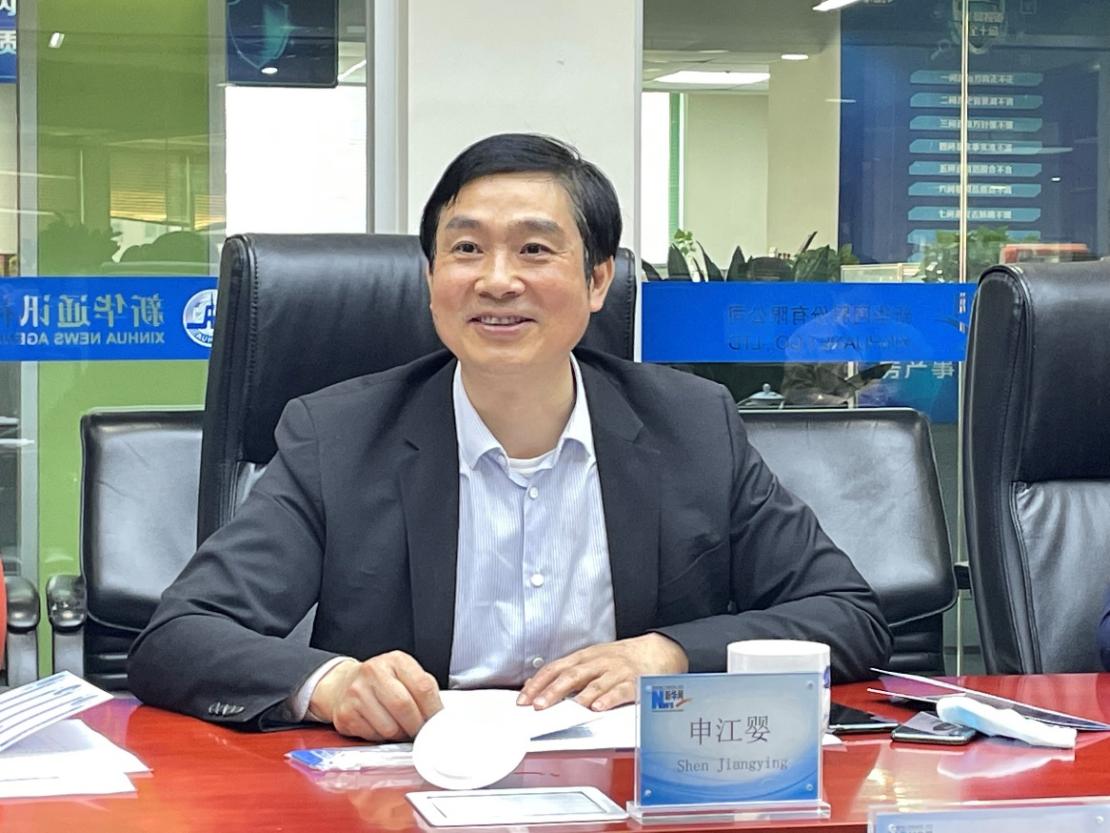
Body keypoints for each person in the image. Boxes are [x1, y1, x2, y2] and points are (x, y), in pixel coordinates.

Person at [128, 133, 891, 740]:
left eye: (534, 249)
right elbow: (180, 637)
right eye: (466, 249)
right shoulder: (339, 437)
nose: (497, 279)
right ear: (431, 277)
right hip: (408, 792)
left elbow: (846, 613)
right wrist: (333, 684)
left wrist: (671, 654)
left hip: (630, 794)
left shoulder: (691, 427)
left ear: (598, 280)